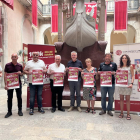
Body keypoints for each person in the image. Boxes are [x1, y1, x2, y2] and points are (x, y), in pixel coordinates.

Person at [4, 53, 23, 118]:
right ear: (11, 58)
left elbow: (22, 74)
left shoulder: (20, 65)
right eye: (13, 57)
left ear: (17, 58)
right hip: (10, 85)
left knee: (19, 97)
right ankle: (9, 111)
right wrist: (6, 84)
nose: (14, 58)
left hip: (18, 84)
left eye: (15, 57)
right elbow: (5, 75)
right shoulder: (7, 65)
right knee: (9, 98)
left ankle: (20, 110)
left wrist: (20, 73)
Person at [116, 54, 134, 120]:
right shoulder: (119, 67)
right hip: (121, 84)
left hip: (128, 84)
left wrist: (132, 83)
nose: (124, 59)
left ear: (127, 59)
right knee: (121, 99)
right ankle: (121, 113)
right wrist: (116, 76)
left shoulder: (130, 66)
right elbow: (118, 76)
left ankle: (128, 114)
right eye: (123, 58)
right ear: (121, 59)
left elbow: (133, 76)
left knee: (128, 100)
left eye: (125, 58)